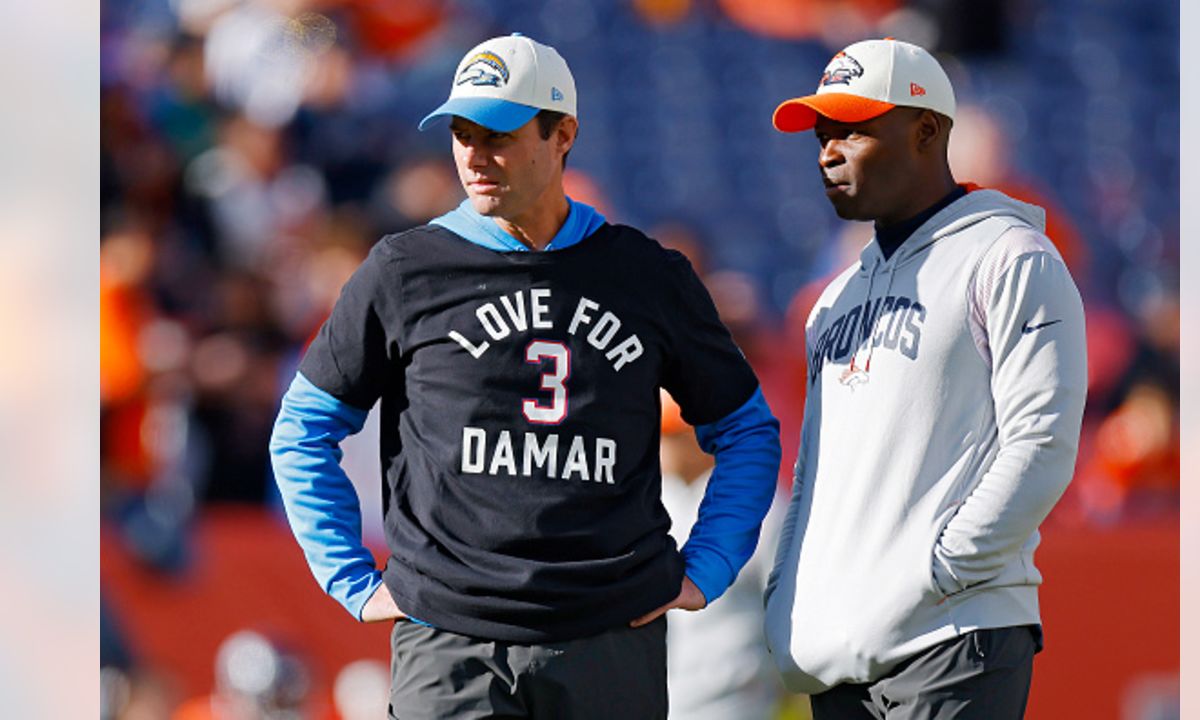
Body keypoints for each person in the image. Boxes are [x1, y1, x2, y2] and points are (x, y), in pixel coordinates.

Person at [269, 33, 780, 720]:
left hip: (608, 640)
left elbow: (746, 427)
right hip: (451, 643)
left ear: (562, 134)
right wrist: (350, 578)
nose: (475, 156)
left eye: (499, 134)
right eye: (461, 133)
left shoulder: (648, 276)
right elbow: (302, 427)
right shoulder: (404, 270)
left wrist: (708, 565)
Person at [763, 38, 1087, 719]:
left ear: (927, 131)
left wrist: (939, 572)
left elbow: (1042, 442)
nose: (827, 150)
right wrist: (789, 594)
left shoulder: (1010, 255)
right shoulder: (833, 299)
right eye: (822, 133)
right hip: (845, 648)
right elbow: (813, 476)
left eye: (852, 128)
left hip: (952, 634)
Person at [657, 391, 784, 720]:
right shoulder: (651, 501)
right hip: (660, 700)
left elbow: (784, 605)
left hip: (737, 702)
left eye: (677, 436)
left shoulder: (760, 505)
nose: (667, 446)